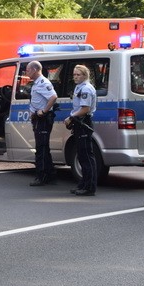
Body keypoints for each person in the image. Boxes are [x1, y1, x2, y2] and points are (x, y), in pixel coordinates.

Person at [64, 64, 98, 196]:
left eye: (78, 74)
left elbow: (85, 109)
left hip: (84, 122)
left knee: (86, 157)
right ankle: (84, 183)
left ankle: (89, 187)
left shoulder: (86, 89)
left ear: (84, 75)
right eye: (74, 74)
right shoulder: (79, 87)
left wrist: (71, 117)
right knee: (82, 156)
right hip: (79, 122)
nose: (75, 77)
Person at [26, 61, 58, 186]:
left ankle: (42, 176)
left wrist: (44, 111)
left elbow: (53, 97)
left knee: (41, 149)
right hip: (38, 119)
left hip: (43, 119)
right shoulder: (37, 83)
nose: (26, 72)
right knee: (43, 148)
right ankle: (50, 175)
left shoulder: (43, 82)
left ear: (34, 69)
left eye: (28, 70)